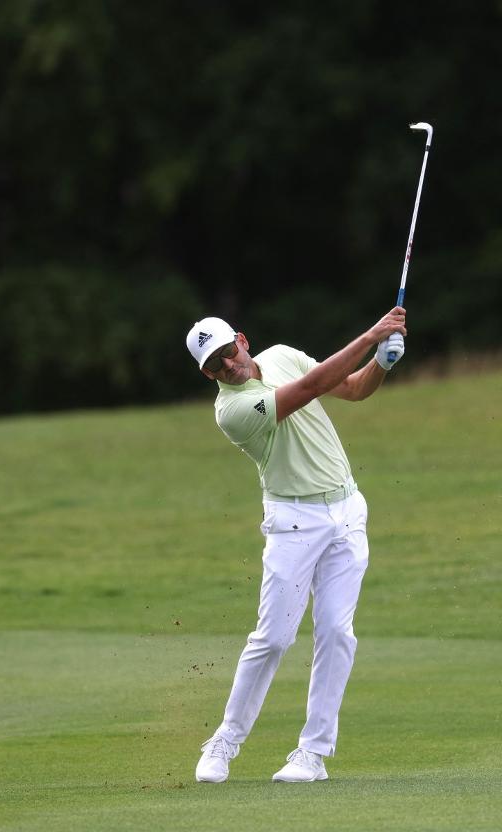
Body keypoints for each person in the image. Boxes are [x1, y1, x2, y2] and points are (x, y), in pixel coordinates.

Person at [184, 306, 407, 784]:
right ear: (206, 374)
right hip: (293, 521)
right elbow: (311, 389)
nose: (227, 365)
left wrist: (381, 365)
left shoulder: (282, 354)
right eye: (214, 365)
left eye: (228, 352)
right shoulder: (233, 411)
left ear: (241, 340)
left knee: (335, 632)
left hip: (347, 511)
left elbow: (351, 388)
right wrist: (371, 334)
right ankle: (225, 740)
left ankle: (313, 754)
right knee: (274, 637)